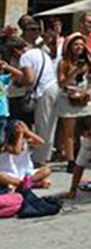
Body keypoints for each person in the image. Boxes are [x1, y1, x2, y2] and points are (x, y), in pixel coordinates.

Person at [8, 36, 57, 164]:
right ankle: (45, 156)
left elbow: (30, 79)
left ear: (16, 51)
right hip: (53, 88)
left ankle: (39, 160)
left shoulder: (25, 57)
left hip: (44, 91)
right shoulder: (40, 52)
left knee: (43, 127)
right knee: (50, 126)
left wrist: (18, 82)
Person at [56, 32, 91, 171]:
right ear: (70, 47)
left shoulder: (87, 61)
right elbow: (61, 83)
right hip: (68, 98)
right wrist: (74, 72)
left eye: (82, 45)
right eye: (76, 44)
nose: (79, 47)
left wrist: (90, 53)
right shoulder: (63, 62)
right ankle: (71, 160)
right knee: (69, 132)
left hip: (84, 97)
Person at [0, 119, 50, 191]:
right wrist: (20, 135)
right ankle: (26, 184)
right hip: (9, 173)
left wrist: (27, 132)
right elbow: (17, 151)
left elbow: (41, 142)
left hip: (26, 174)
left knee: (46, 170)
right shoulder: (5, 145)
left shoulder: (25, 141)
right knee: (1, 177)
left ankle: (25, 183)